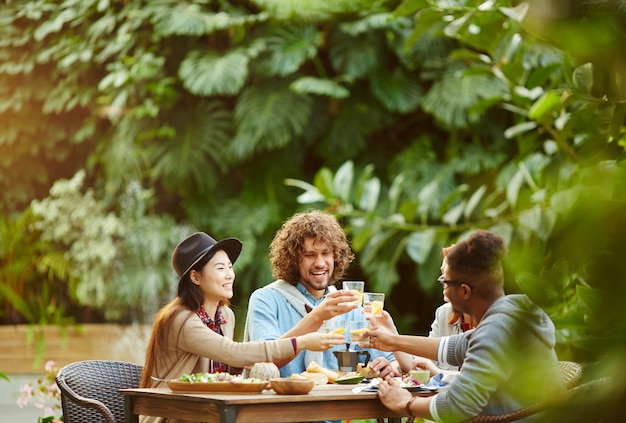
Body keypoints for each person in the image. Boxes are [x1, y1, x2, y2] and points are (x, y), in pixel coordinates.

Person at [140, 232, 344, 421]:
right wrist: (300, 342)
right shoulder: (181, 319)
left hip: (210, 414)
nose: (230, 275)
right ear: (195, 277)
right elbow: (232, 352)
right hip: (173, 416)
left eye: (230, 267)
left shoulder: (225, 316)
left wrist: (244, 366)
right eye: (220, 268)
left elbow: (228, 365)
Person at [366, 230, 566, 422]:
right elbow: (454, 346)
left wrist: (405, 403)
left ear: (464, 291)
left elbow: (458, 406)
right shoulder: (508, 315)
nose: (442, 285)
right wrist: (392, 340)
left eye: (445, 281)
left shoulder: (497, 328)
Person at [245, 210, 399, 379]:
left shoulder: (348, 306)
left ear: (336, 256)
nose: (319, 263)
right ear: (293, 260)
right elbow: (264, 363)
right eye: (309, 255)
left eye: (325, 253)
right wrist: (317, 316)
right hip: (282, 402)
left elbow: (393, 361)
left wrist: (388, 367)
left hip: (338, 403)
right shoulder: (266, 299)